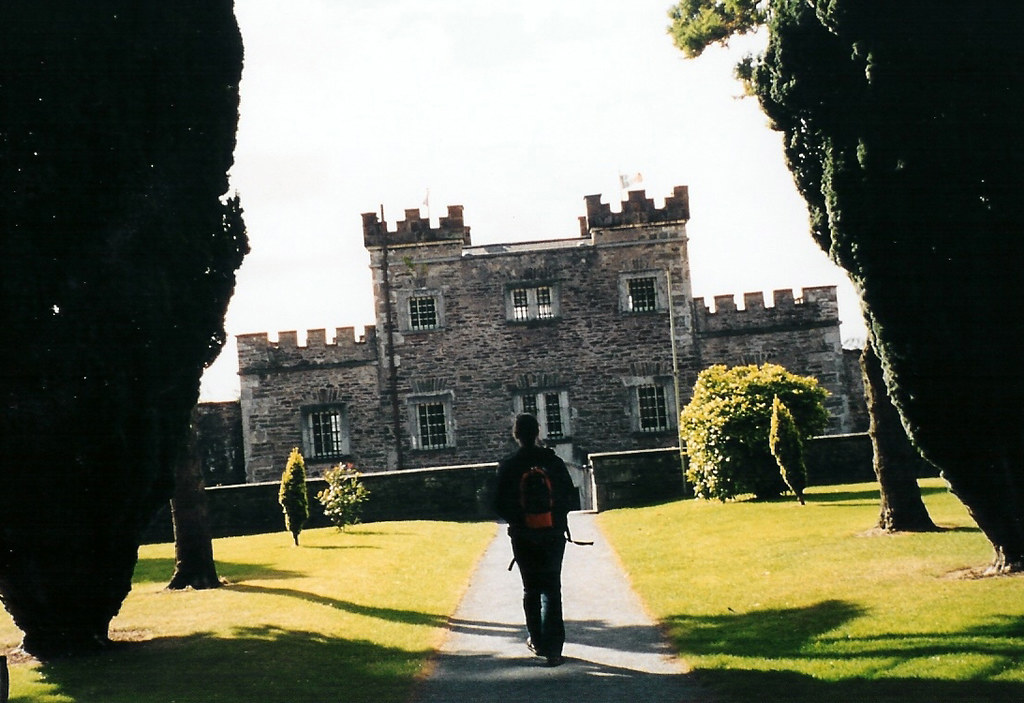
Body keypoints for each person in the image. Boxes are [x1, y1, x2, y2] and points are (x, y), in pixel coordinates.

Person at [493, 413, 575, 667]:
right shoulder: (553, 462)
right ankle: (554, 649)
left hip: (523, 536)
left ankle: (537, 641)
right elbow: (569, 497)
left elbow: (497, 503)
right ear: (537, 432)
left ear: (516, 434)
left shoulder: (509, 465)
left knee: (531, 590)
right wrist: (555, 519)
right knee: (552, 589)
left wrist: (518, 520)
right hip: (552, 534)